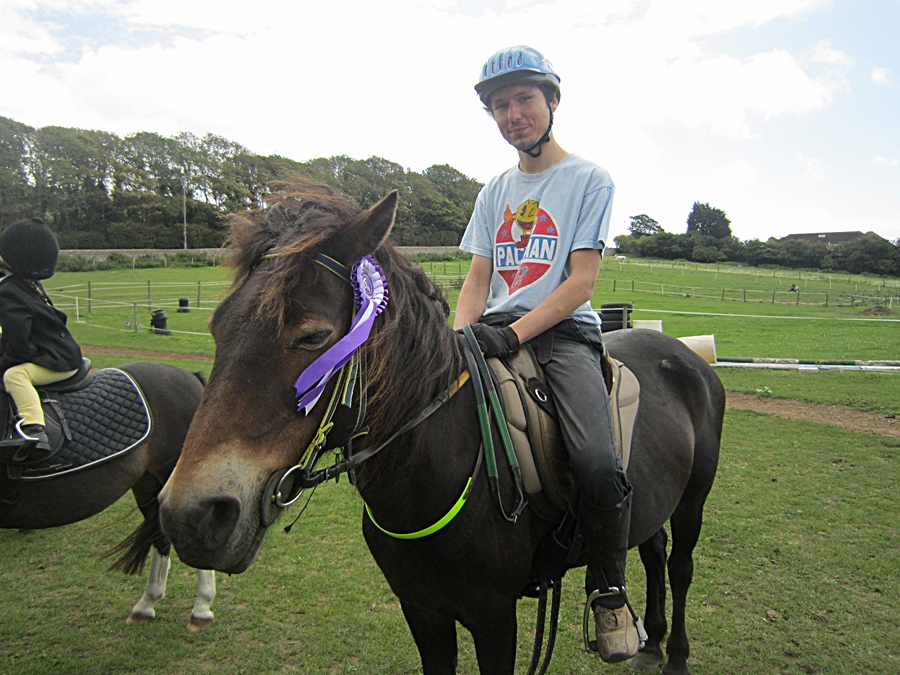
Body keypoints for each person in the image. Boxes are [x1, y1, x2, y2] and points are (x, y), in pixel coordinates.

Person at [453, 46, 639, 662]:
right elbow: (478, 279)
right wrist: (459, 336)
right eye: (500, 105)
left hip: (562, 338)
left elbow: (580, 283)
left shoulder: (589, 179)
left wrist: (514, 335)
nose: (513, 114)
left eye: (524, 99)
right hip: (491, 331)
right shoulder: (494, 192)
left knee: (596, 461)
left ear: (552, 101)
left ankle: (609, 591)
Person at [0, 217, 82, 456]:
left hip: (57, 361)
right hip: (62, 350)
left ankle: (34, 429)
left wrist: (3, 362)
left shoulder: (9, 292)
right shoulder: (27, 283)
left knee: (14, 376)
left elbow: (21, 349)